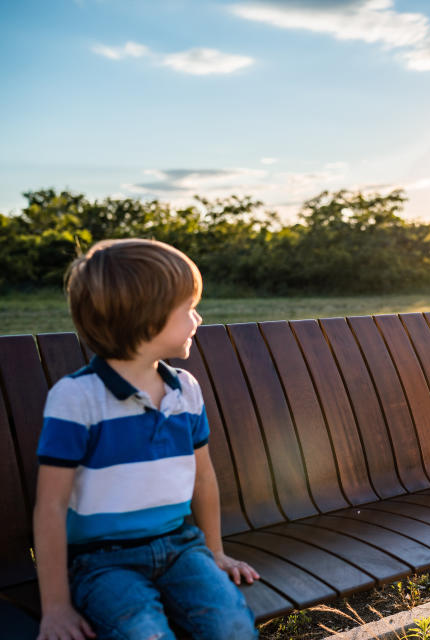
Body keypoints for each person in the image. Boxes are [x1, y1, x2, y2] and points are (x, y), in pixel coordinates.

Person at [33, 238, 260, 640]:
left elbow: (203, 479)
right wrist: (55, 607)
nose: (199, 320)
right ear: (147, 319)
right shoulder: (76, 399)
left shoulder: (184, 390)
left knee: (232, 627)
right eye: (189, 309)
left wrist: (215, 552)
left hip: (180, 547)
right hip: (102, 563)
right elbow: (50, 506)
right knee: (144, 633)